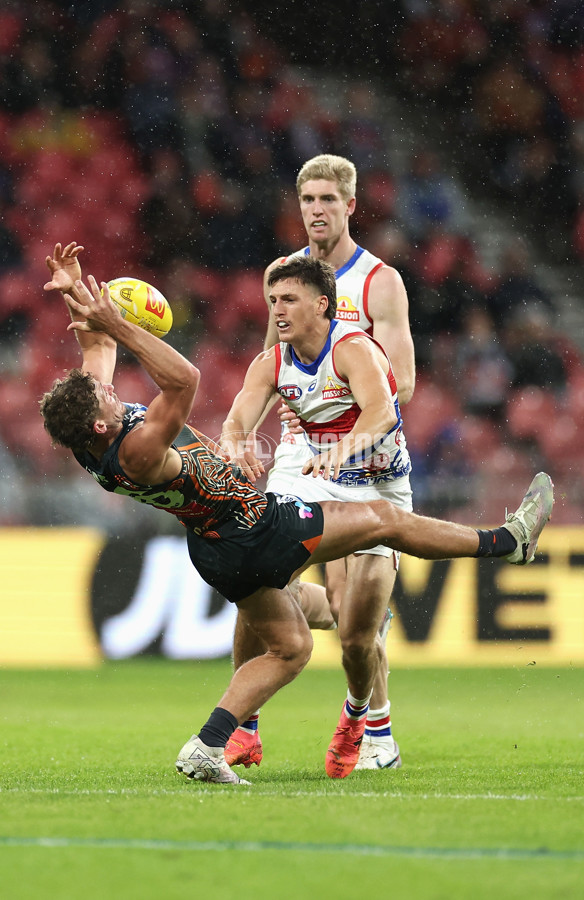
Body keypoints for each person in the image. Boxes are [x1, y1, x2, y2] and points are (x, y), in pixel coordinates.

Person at [40, 242, 554, 785]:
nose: (110, 390)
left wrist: (77, 293)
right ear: (99, 425)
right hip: (256, 527)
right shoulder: (137, 450)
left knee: (292, 647)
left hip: (214, 548)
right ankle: (508, 542)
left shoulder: (87, 437)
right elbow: (184, 379)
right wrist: (122, 328)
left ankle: (208, 745)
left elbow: (95, 350)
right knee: (383, 519)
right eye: (106, 398)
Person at [226, 152, 416, 772]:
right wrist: (276, 418)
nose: (315, 212)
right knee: (254, 575)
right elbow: (269, 364)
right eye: (307, 200)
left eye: (328, 201)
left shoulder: (378, 281)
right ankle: (243, 724)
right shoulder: (282, 275)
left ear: (350, 206)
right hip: (301, 450)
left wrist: (343, 410)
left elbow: (402, 385)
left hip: (368, 449)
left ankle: (374, 725)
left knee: (355, 623)